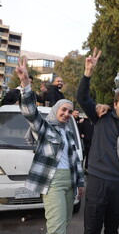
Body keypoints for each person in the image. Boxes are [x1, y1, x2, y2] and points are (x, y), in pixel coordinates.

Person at [15, 56, 85, 234]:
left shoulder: (68, 133)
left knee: (66, 222)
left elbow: (75, 160)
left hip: (70, 182)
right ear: (55, 110)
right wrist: (25, 83)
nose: (67, 114)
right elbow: (30, 112)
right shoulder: (44, 128)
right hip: (52, 182)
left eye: (70, 111)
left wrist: (80, 183)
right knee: (56, 228)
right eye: (63, 110)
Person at [76, 48, 119, 234]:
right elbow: (82, 98)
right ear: (115, 105)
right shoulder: (101, 116)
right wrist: (88, 73)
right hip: (97, 181)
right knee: (92, 229)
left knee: (112, 229)